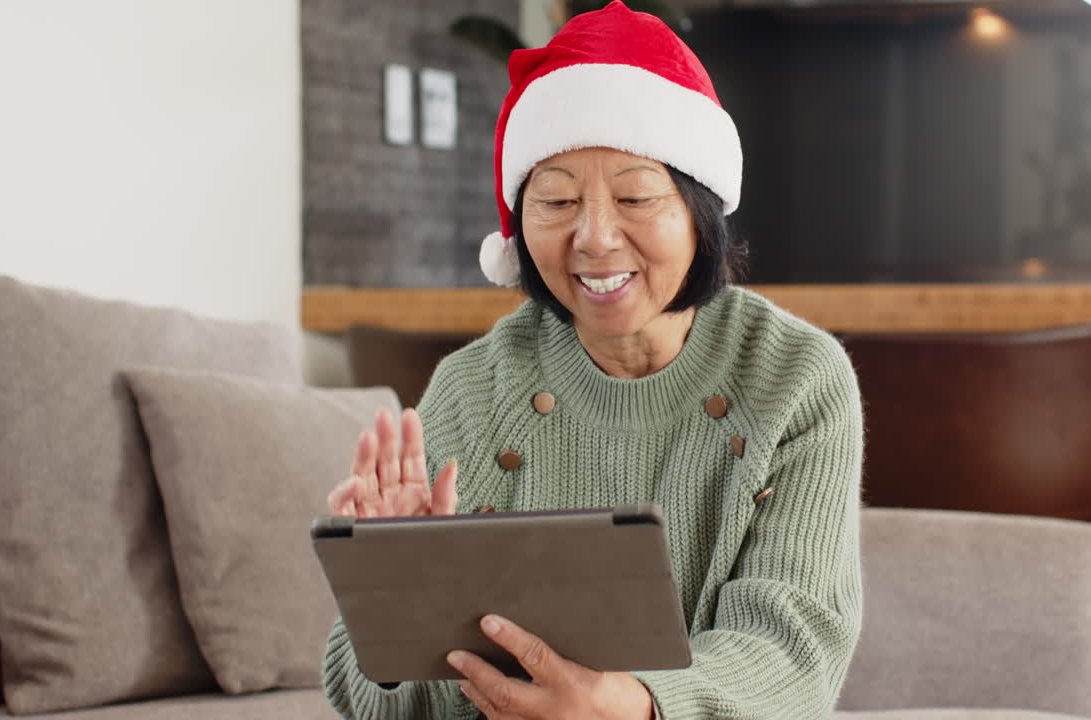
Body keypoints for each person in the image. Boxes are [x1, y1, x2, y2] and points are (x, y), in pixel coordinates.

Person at [322, 2, 863, 718]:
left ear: (699, 213)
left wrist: (633, 705)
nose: (596, 238)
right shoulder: (476, 387)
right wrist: (397, 596)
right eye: (556, 200)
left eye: (635, 195)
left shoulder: (795, 376)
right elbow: (372, 704)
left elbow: (793, 650)